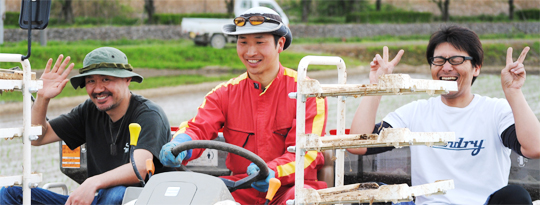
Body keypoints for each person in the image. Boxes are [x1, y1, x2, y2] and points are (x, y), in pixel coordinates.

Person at [347, 26, 539, 204]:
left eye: (457, 60)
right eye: (439, 61)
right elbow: (359, 145)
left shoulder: (496, 111)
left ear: (476, 68)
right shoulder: (416, 112)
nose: (446, 68)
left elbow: (534, 148)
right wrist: (377, 87)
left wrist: (513, 92)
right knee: (372, 193)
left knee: (516, 195)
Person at [159, 7, 328, 205]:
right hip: (240, 189)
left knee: (302, 200)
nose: (250, 52)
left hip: (289, 189)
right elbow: (198, 127)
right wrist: (180, 145)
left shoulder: (308, 93)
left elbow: (307, 153)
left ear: (280, 44)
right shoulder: (223, 93)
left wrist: (273, 171)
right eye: (243, 42)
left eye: (259, 42)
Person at [0, 47, 171, 205]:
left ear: (127, 79)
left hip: (135, 199)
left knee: (115, 194)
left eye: (106, 79)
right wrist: (43, 97)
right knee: (10, 193)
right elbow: (38, 137)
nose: (98, 89)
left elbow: (140, 168)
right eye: (91, 81)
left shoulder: (148, 114)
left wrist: (93, 182)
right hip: (96, 198)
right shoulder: (89, 111)